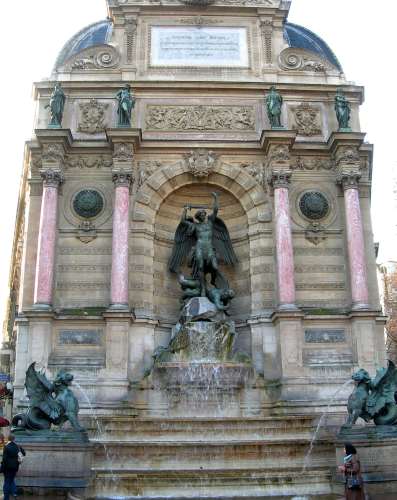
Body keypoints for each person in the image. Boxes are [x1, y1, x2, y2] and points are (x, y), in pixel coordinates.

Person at [1, 433, 26, 500]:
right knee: (11, 480)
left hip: (7, 468)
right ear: (14, 439)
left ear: (8, 438)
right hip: (15, 467)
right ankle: (14, 493)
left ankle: (6, 497)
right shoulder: (17, 446)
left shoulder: (6, 447)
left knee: (7, 481)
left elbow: (4, 459)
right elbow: (24, 453)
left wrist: (1, 469)